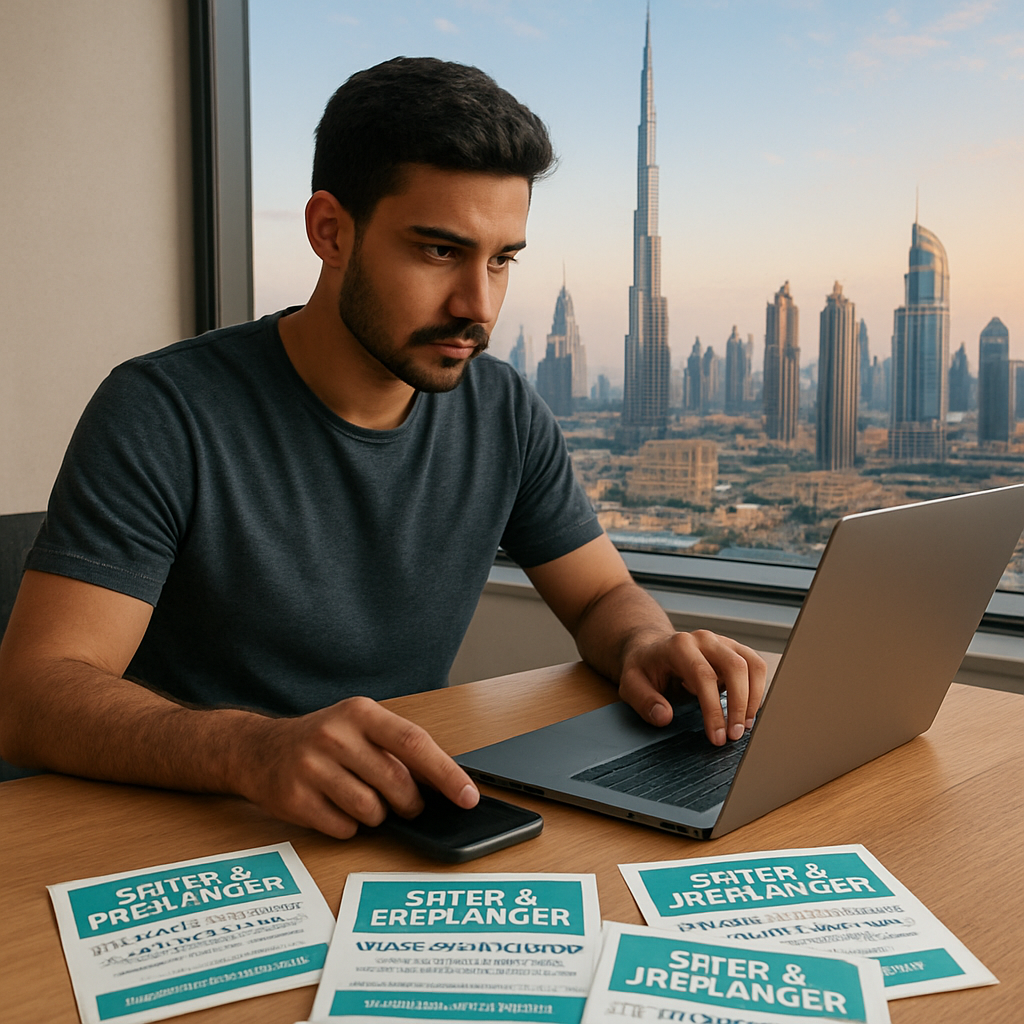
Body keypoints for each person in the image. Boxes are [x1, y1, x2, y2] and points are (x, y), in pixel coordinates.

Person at [0, 57, 764, 838]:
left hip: (395, 822)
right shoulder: (162, 411)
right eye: (439, 252)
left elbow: (601, 596)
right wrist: (251, 750)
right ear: (330, 232)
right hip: (186, 831)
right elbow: (30, 697)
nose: (478, 305)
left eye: (501, 259)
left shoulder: (502, 409)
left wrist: (646, 642)